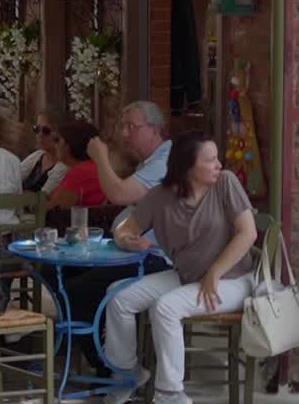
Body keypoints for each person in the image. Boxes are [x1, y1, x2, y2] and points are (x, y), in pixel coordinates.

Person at [102, 131, 257, 404]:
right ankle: (127, 374)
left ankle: (169, 393)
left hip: (232, 280)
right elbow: (125, 228)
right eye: (210, 160)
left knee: (166, 307)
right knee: (118, 296)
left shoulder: (225, 183)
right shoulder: (160, 196)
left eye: (217, 158)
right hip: (187, 276)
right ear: (187, 166)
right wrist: (126, 239)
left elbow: (248, 233)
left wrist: (214, 273)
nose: (218, 165)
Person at [61, 101, 173, 374]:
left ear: (155, 130)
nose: (124, 134)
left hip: (159, 258)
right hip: (135, 250)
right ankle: (95, 352)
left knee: (78, 290)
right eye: (123, 126)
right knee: (60, 273)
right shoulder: (151, 162)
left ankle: (112, 366)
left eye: (131, 127)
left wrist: (99, 157)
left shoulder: (164, 162)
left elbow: (119, 194)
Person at [46, 120, 107, 210]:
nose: (54, 144)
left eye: (57, 140)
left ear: (69, 144)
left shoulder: (81, 172)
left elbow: (50, 208)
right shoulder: (95, 167)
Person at [20, 111, 68, 193]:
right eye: (37, 129)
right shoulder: (38, 155)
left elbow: (43, 197)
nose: (40, 134)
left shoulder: (63, 167)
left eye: (46, 130)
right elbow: (14, 177)